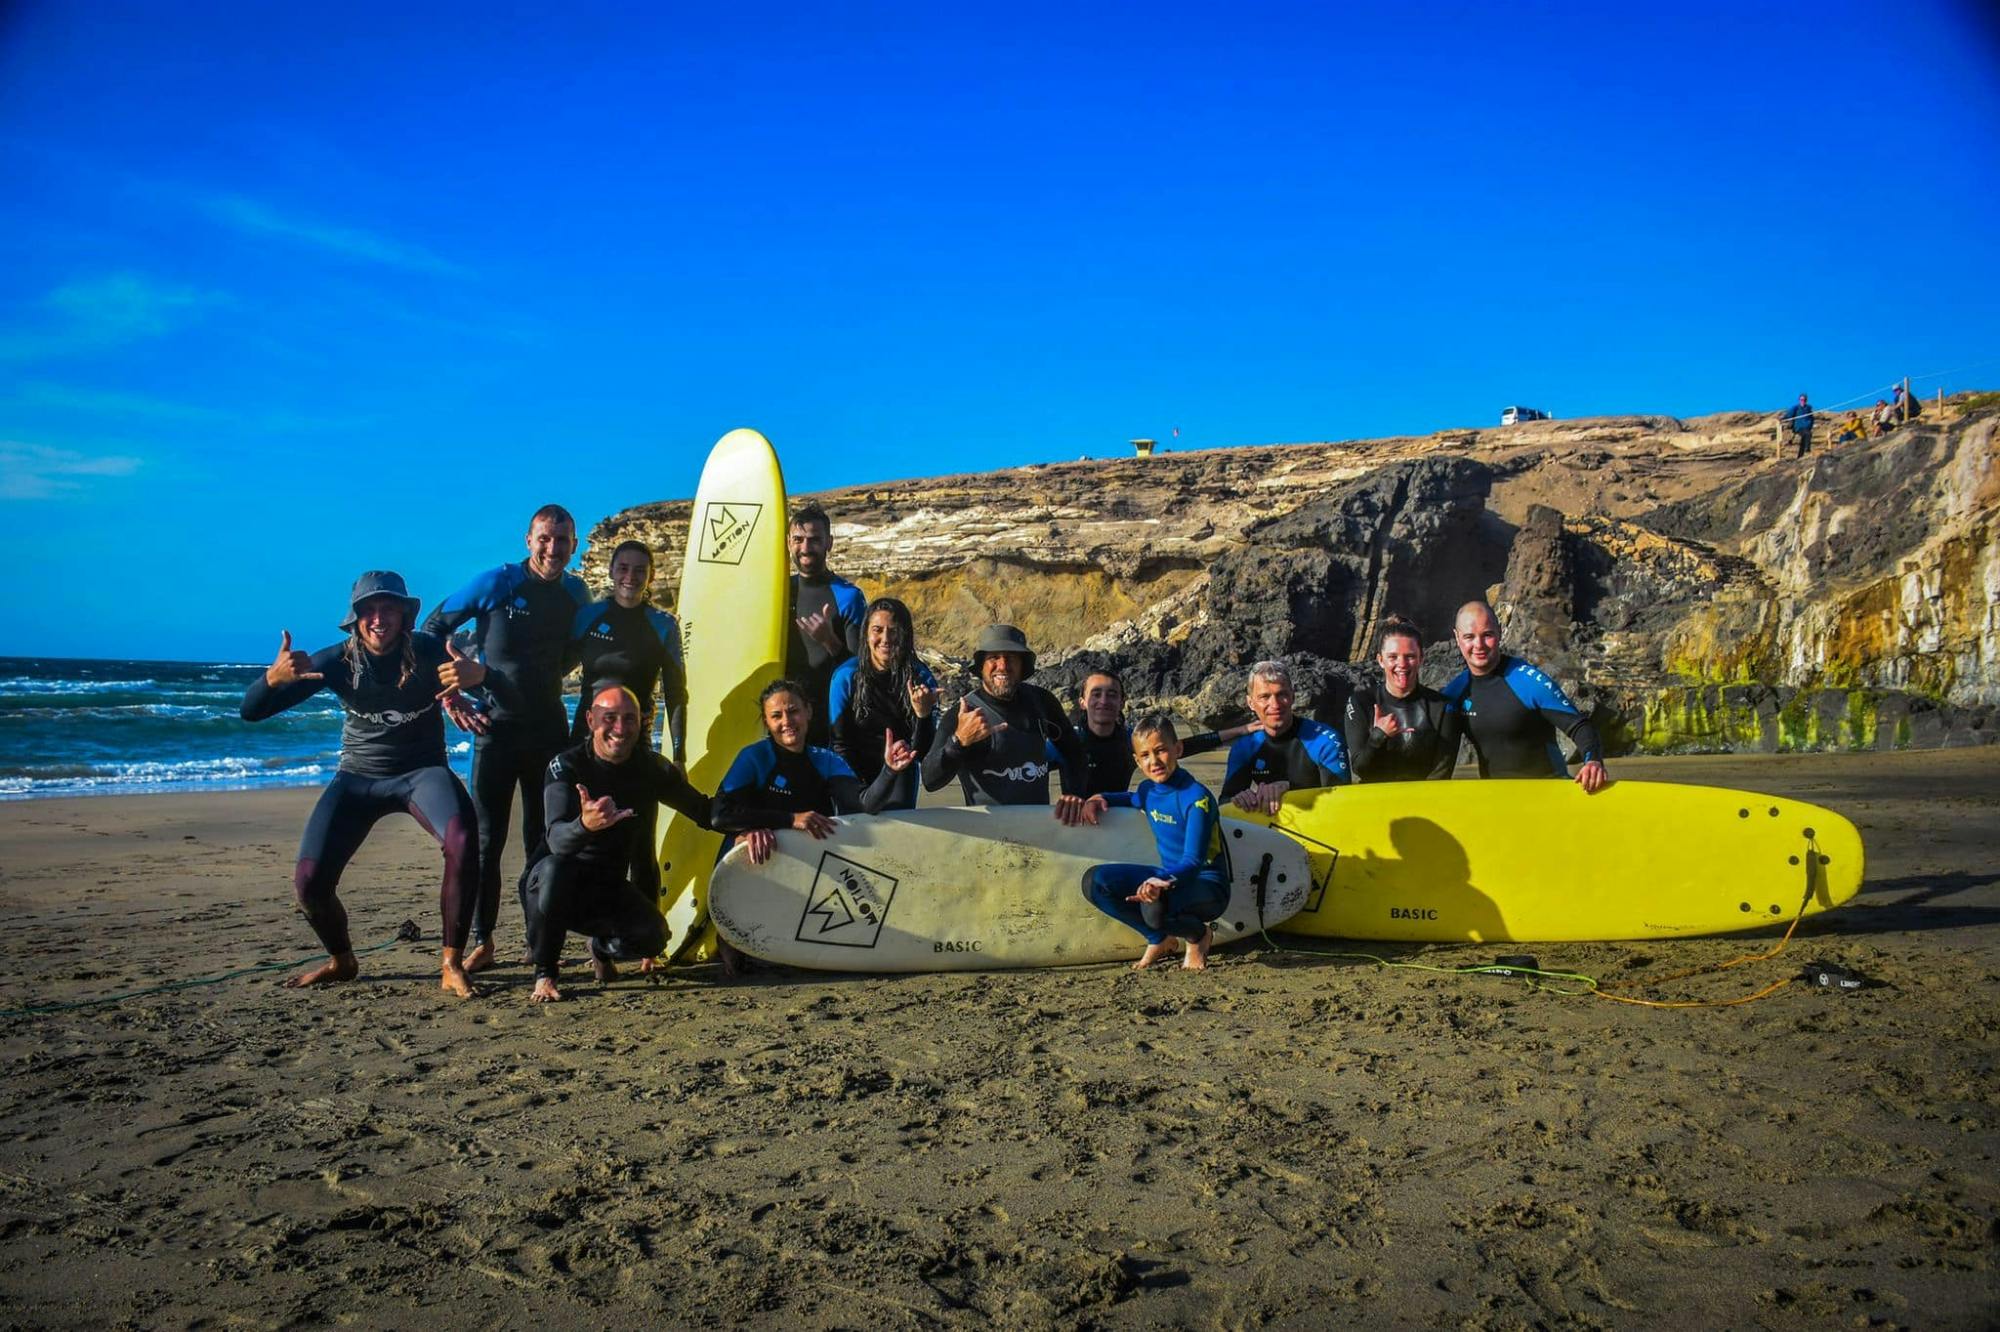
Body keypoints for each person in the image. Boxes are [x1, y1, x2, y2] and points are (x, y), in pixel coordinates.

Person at [239, 572, 486, 997]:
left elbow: (482, 683)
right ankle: (341, 960)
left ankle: (451, 962)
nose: (378, 619)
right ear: (355, 620)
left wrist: (471, 680)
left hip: (421, 773)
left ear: (404, 616)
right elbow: (251, 712)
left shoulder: (429, 652)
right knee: (310, 883)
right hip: (358, 777)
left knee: (463, 839)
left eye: (387, 608)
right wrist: (272, 682)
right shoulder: (336, 662)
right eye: (368, 610)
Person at [422, 504, 589, 971]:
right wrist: (453, 696)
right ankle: (484, 941)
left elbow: (575, 652)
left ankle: (538, 940)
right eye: (544, 538)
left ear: (574, 546)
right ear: (528, 540)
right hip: (495, 733)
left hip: (548, 732)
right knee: (486, 842)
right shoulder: (497, 582)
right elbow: (432, 631)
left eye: (562, 540)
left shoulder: (577, 593)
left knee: (543, 840)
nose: (552, 548)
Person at [522, 685, 714, 1003]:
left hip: (605, 890)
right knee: (557, 869)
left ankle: (600, 948)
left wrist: (770, 823)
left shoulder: (650, 768)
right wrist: (584, 825)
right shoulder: (567, 766)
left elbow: (704, 812)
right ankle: (546, 974)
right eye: (609, 718)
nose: (620, 729)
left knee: (654, 938)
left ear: (642, 722)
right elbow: (556, 840)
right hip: (547, 892)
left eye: (629, 719)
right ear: (590, 720)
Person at [1058, 713, 1231, 971]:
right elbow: (1131, 798)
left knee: (1154, 909)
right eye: (1146, 755)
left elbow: (1193, 863)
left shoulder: (1197, 799)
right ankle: (1159, 939)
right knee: (1095, 882)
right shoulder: (1148, 791)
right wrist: (1099, 798)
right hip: (1167, 879)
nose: (1154, 761)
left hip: (1206, 886)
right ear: (1137, 761)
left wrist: (1158, 882)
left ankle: (1197, 935)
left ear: (1178, 749)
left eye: (1161, 751)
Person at [566, 539, 687, 893]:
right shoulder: (589, 616)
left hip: (635, 745)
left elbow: (677, 694)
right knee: (587, 839)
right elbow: (552, 668)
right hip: (584, 743)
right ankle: (597, 937)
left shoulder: (663, 625)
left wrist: (678, 755)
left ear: (650, 577)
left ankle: (648, 948)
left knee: (640, 843)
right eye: (623, 568)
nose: (630, 577)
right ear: (611, 571)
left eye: (639, 570)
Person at [1440, 601, 1607, 793]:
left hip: (1550, 794)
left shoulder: (1527, 681)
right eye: (1469, 637)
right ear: (1457, 637)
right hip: (1498, 801)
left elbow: (1579, 726)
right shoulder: (1454, 693)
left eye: (1487, 635)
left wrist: (1593, 761)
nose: (1479, 645)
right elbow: (1438, 754)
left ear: (1500, 631)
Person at [922, 624, 1089, 805]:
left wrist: (1074, 796)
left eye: (1011, 658)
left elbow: (1074, 753)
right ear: (981, 666)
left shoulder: (1041, 701)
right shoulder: (963, 714)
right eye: (993, 657)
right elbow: (930, 780)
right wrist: (959, 742)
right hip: (986, 830)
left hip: (1038, 827)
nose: (1002, 665)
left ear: (1022, 665)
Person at [827, 596, 938, 811]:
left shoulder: (921, 678)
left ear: (905, 635)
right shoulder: (846, 676)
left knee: (896, 835)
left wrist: (923, 715)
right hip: (853, 769)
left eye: (894, 631)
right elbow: (839, 744)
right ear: (866, 634)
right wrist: (858, 790)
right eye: (877, 630)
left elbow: (922, 753)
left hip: (901, 768)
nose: (885, 638)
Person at [1070, 668, 1247, 796]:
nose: (1104, 701)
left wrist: (1240, 730)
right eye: (1096, 694)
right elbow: (1041, 768)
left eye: (1111, 694)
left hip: (1117, 823)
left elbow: (1185, 747)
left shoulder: (1130, 739)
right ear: (1082, 702)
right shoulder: (1067, 742)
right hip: (1071, 828)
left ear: (1122, 702)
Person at [1342, 615, 1462, 782]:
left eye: (1410, 656)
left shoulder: (1442, 708)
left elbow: (1441, 774)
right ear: (1381, 660)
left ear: (1421, 658)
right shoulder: (1361, 703)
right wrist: (1378, 736)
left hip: (1424, 803)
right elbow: (1361, 769)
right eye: (1393, 657)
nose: (1402, 664)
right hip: (1376, 803)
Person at [1220, 660, 1351, 813]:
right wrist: (1241, 799)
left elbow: (1342, 801)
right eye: (1264, 697)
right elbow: (1223, 806)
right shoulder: (1245, 747)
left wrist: (1290, 788)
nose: (1275, 705)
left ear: (1293, 696)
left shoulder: (1325, 741)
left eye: (1281, 694)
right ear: (1250, 702)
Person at [786, 503, 868, 745]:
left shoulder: (848, 597)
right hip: (783, 720)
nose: (805, 548)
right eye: (798, 539)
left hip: (830, 720)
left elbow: (861, 672)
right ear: (788, 542)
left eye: (814, 540)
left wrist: (828, 640)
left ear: (829, 542)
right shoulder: (777, 593)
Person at [1781, 393, 1815, 458]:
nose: (1803, 401)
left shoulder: (1808, 409)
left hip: (1807, 427)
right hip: (1799, 427)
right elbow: (1789, 414)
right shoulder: (1796, 407)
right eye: (1801, 400)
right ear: (1799, 400)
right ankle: (1807, 449)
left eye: (1804, 400)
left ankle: (1800, 456)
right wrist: (1783, 419)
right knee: (1808, 434)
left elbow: (1812, 418)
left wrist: (1810, 425)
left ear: (1806, 400)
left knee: (1804, 438)